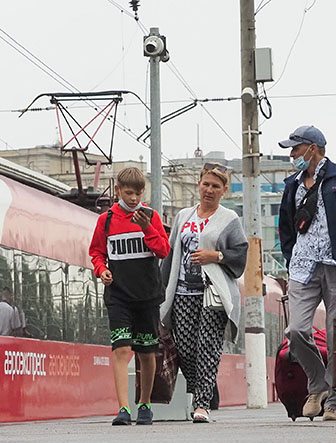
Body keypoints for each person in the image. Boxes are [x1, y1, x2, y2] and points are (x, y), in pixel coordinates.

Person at [277, 125, 336, 422]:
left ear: (313, 148)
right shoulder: (292, 184)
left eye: (296, 148)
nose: (292, 154)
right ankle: (317, 386)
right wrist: (292, 256)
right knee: (296, 331)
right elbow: (285, 225)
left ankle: (334, 402)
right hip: (303, 268)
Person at [158, 162, 248, 423]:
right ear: (199, 184)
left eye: (216, 186)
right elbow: (172, 255)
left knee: (208, 349)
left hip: (212, 294)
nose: (209, 190)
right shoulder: (183, 216)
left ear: (224, 191)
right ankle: (205, 390)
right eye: (206, 184)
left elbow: (240, 255)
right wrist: (162, 293)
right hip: (182, 293)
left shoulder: (229, 219)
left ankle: (202, 405)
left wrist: (216, 255)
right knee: (185, 349)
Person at [89, 167, 170, 426]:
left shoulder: (151, 216)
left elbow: (162, 251)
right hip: (119, 295)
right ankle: (123, 408)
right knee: (122, 349)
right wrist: (102, 270)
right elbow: (97, 252)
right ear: (118, 191)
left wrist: (147, 228)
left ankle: (144, 404)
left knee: (147, 353)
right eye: (128, 193)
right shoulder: (107, 221)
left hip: (147, 296)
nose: (134, 198)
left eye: (138, 193)